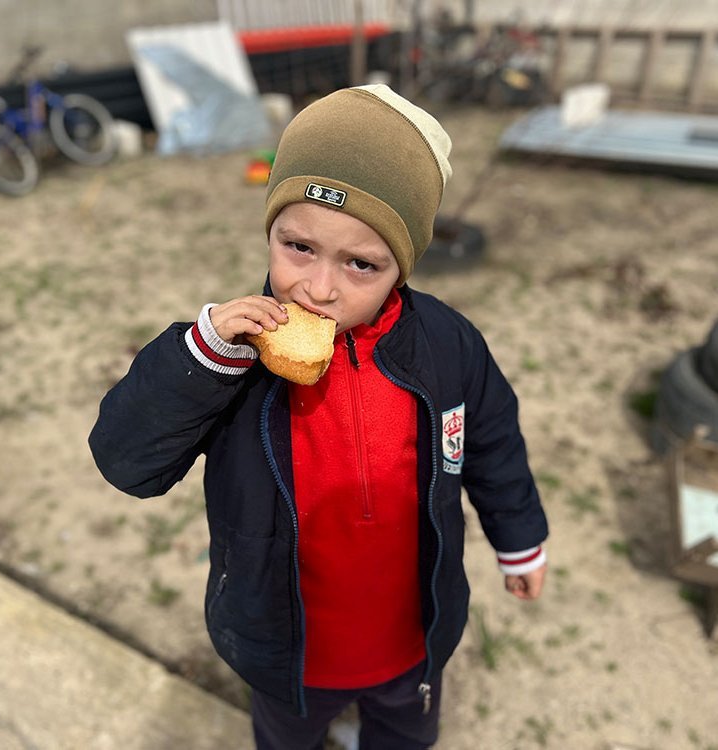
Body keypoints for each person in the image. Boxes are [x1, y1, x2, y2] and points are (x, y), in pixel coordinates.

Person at [89, 84, 548, 750]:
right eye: (297, 247)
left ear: (404, 266)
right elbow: (128, 463)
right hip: (285, 650)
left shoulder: (449, 345)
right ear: (270, 229)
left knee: (403, 737)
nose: (320, 287)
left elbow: (495, 444)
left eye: (362, 263)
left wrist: (520, 538)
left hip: (410, 639)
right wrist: (202, 360)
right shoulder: (232, 357)